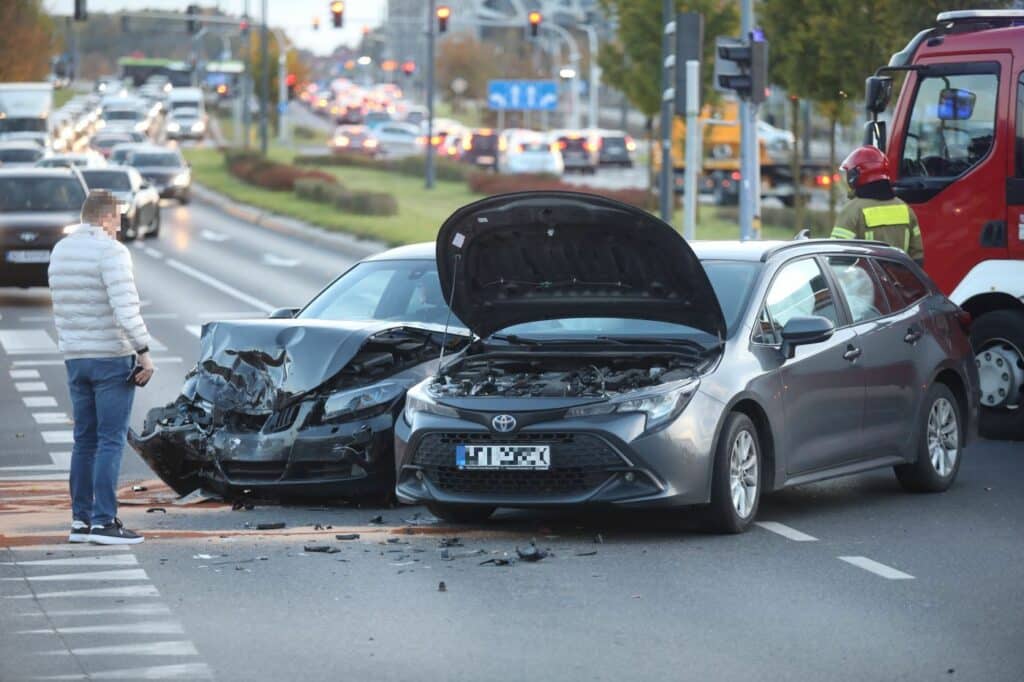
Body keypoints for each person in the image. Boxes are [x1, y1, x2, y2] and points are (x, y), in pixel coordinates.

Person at [48, 189, 154, 545]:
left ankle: (80, 521)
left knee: (85, 440)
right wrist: (143, 351)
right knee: (110, 440)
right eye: (118, 219)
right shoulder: (111, 252)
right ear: (106, 217)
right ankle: (105, 522)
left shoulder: (61, 250)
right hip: (110, 357)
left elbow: (62, 306)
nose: (120, 227)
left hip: (76, 357)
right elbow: (126, 309)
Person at [830, 145, 924, 266]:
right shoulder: (905, 209)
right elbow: (918, 257)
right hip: (899, 282)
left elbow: (836, 257)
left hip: (865, 283)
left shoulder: (851, 211)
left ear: (855, 175)